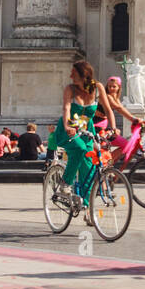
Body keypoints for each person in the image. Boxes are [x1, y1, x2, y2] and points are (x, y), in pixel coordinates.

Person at [47, 61, 116, 211]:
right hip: (69, 129)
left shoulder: (97, 88)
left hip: (86, 130)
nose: (71, 76)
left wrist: (113, 128)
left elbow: (108, 110)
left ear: (84, 75)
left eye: (74, 73)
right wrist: (66, 126)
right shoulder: (70, 89)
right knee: (79, 149)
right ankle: (65, 182)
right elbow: (66, 109)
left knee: (88, 167)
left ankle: (86, 208)